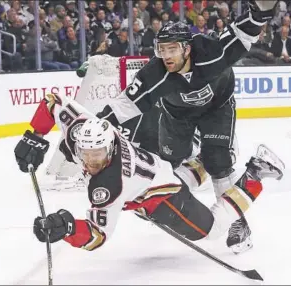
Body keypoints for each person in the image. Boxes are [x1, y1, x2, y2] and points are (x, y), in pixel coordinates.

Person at [93, 0, 279, 253]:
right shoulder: (155, 73)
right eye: (162, 49)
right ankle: (197, 165)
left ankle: (237, 224)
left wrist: (262, 12)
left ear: (187, 49)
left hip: (217, 107)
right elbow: (125, 104)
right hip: (178, 115)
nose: (166, 56)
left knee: (219, 163)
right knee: (169, 166)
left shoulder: (211, 52)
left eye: (173, 49)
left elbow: (241, 33)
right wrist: (93, 126)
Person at [14, 93, 284, 252]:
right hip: (156, 170)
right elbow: (53, 101)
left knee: (211, 231)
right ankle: (210, 158)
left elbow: (98, 235)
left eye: (97, 155)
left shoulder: (110, 185)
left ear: (109, 148)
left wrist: (68, 227)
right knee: (175, 178)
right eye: (85, 154)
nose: (90, 161)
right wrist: (34, 136)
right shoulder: (80, 129)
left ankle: (256, 172)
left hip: (162, 194)